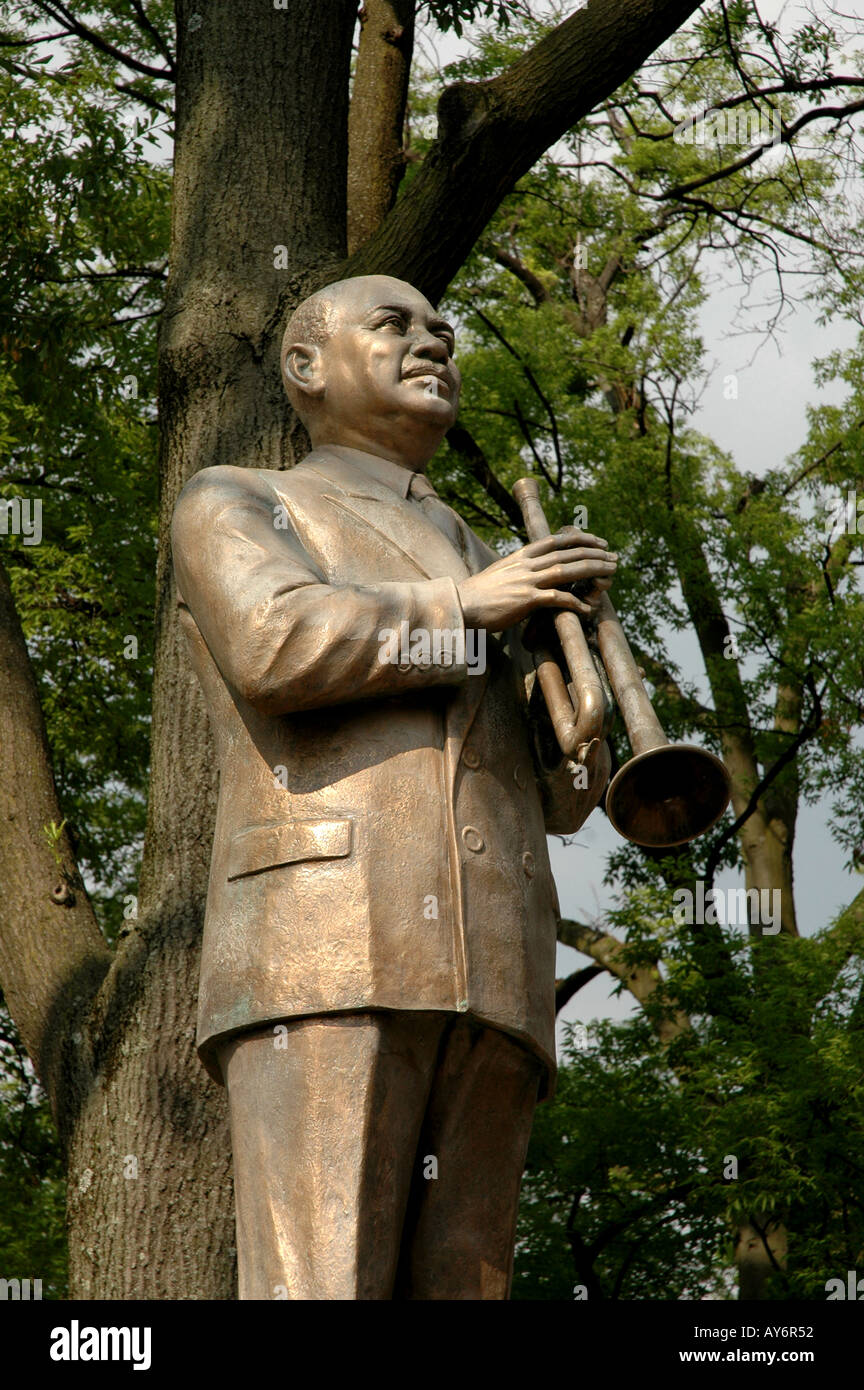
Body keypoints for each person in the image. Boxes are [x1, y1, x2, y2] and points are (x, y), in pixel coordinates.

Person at [171, 274, 616, 1299]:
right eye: (396, 326)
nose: (433, 344)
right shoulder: (242, 497)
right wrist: (469, 603)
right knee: (321, 1284)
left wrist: (580, 732)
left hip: (497, 973)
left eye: (443, 332)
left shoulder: (484, 552)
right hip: (324, 948)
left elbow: (556, 800)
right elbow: (275, 643)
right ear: (306, 368)